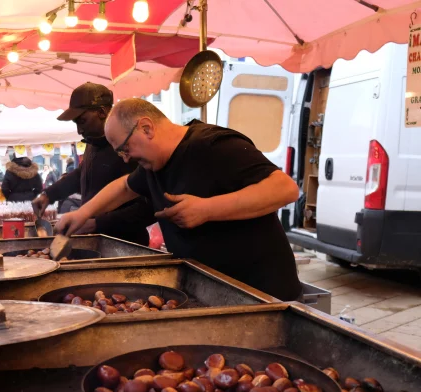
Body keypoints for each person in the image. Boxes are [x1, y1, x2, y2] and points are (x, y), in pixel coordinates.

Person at [57, 98, 302, 301]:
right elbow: (124, 187)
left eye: (125, 148)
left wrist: (207, 209)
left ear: (146, 128)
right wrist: (82, 213)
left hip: (261, 293)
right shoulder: (154, 165)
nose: (124, 159)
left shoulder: (212, 145)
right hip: (213, 291)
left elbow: (285, 189)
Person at [33, 83, 154, 246]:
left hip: (126, 244)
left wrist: (98, 223)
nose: (79, 130)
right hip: (97, 240)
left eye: (82, 121)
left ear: (102, 112)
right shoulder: (93, 144)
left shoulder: (129, 146)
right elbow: (80, 174)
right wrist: (50, 194)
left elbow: (148, 206)